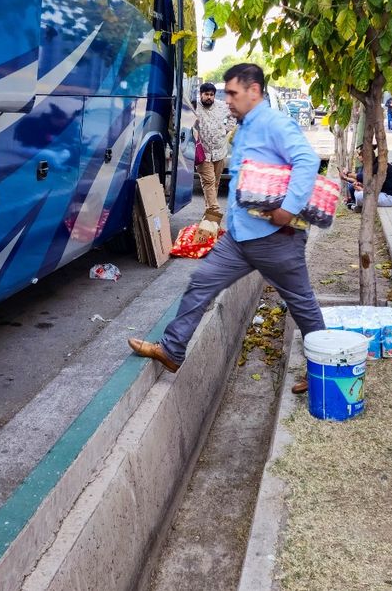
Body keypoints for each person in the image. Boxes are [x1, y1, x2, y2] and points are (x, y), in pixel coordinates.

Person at [127, 63, 326, 395]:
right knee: (200, 283)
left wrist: (288, 210)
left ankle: (322, 370)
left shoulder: (276, 123)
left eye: (233, 93)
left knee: (302, 304)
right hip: (240, 238)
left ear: (254, 91)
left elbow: (306, 160)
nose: (227, 99)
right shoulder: (245, 125)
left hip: (277, 239)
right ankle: (172, 349)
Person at [194, 82, 235, 215]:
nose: (209, 97)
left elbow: (233, 115)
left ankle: (209, 216)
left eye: (211, 95)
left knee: (215, 183)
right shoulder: (194, 107)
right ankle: (215, 213)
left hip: (219, 151)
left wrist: (226, 130)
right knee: (208, 181)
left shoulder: (221, 106)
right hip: (203, 152)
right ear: (201, 94)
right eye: (206, 94)